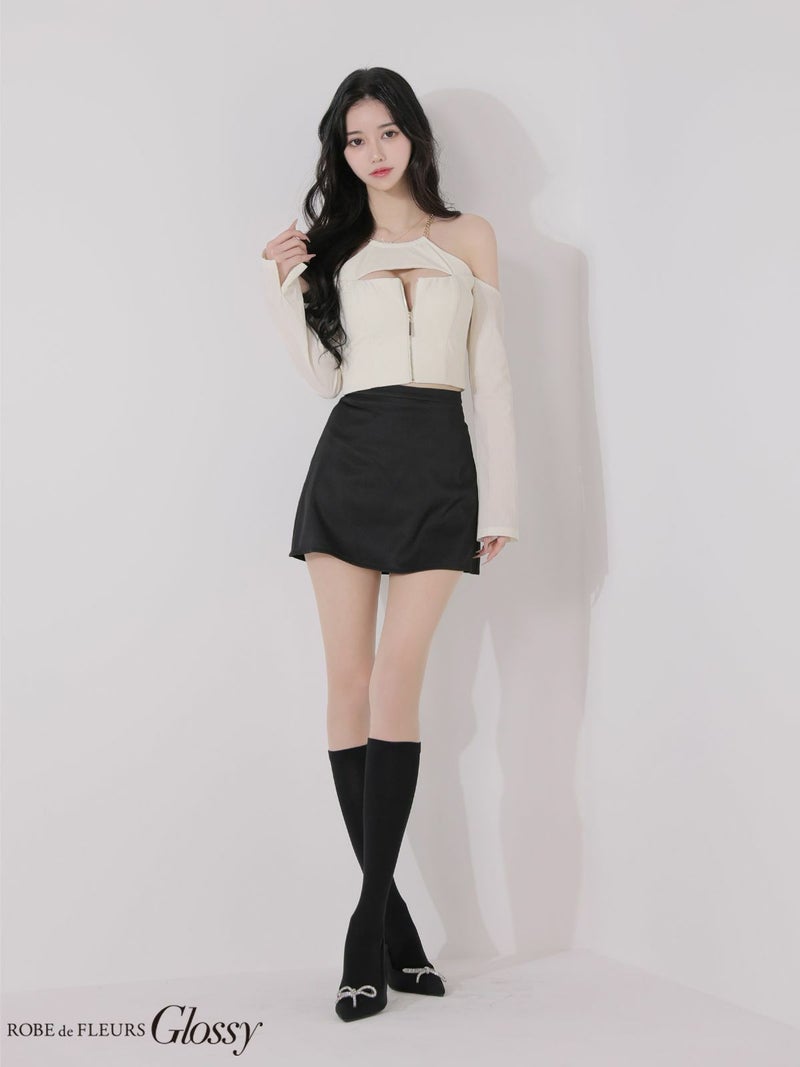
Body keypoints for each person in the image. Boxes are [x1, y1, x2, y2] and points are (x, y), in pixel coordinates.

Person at [260, 67, 519, 1022]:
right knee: (350, 681)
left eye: (387, 132)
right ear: (341, 151)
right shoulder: (336, 249)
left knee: (398, 680)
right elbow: (323, 378)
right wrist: (284, 282)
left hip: (439, 469)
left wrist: (502, 500)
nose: (373, 152)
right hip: (350, 461)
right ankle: (388, 924)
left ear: (414, 137)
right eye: (355, 138)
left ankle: (366, 924)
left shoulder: (469, 236)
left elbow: (492, 376)